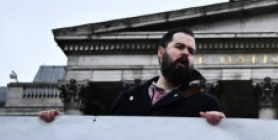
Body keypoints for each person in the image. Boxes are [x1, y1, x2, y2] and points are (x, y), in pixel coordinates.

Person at [39, 27, 225, 125]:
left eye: (191, 51)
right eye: (179, 47)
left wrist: (220, 128)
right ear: (161, 52)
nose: (186, 53)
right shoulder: (127, 98)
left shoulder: (205, 104)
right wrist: (55, 126)